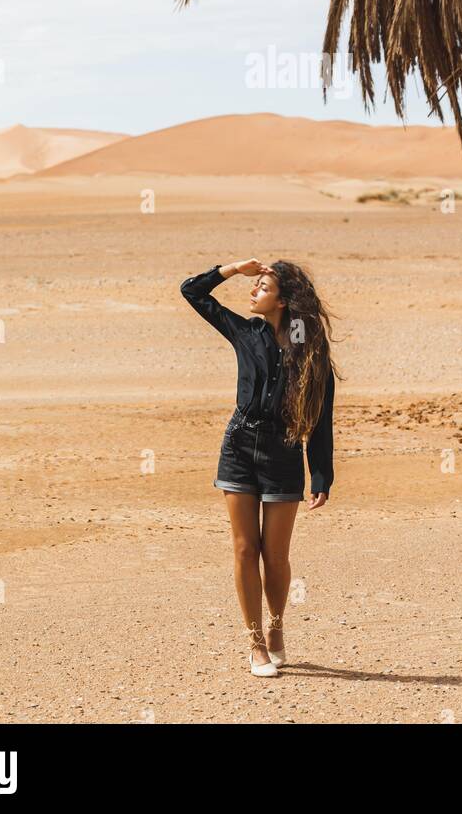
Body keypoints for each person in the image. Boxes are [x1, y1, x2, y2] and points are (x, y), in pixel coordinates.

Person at [180, 258, 339, 676]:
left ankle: (276, 627)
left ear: (283, 301)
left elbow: (321, 417)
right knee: (245, 549)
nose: (253, 292)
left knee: (276, 555)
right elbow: (192, 291)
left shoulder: (309, 348)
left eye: (263, 287)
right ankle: (255, 643)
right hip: (238, 447)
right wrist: (233, 269)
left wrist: (321, 474)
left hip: (284, 451)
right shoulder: (245, 331)